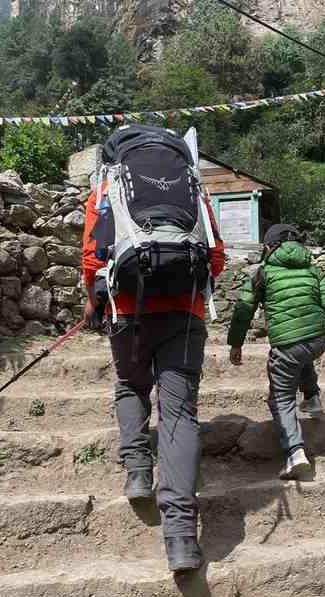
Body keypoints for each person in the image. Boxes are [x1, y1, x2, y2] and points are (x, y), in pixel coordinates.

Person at [82, 165, 225, 573]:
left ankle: (139, 473)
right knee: (180, 415)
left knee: (130, 386)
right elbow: (215, 255)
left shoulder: (109, 184)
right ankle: (180, 539)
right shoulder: (190, 184)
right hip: (185, 313)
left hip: (127, 310)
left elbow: (92, 256)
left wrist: (93, 299)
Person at [227, 224, 325, 478]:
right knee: (302, 353)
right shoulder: (312, 269)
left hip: (288, 345)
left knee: (281, 397)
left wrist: (236, 343)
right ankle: (312, 397)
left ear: (268, 247)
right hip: (318, 340)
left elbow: (244, 310)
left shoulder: (262, 273)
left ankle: (296, 452)